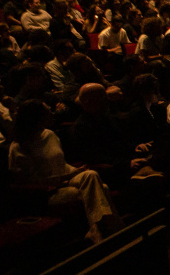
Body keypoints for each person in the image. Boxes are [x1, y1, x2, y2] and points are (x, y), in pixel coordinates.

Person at [9, 99, 125, 244]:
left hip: (67, 180)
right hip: (49, 191)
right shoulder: (18, 147)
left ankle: (95, 229)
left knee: (91, 174)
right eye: (48, 112)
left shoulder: (50, 134)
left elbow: (62, 164)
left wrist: (76, 171)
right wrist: (67, 176)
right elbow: (25, 182)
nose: (52, 114)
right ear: (36, 118)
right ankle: (115, 228)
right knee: (102, 188)